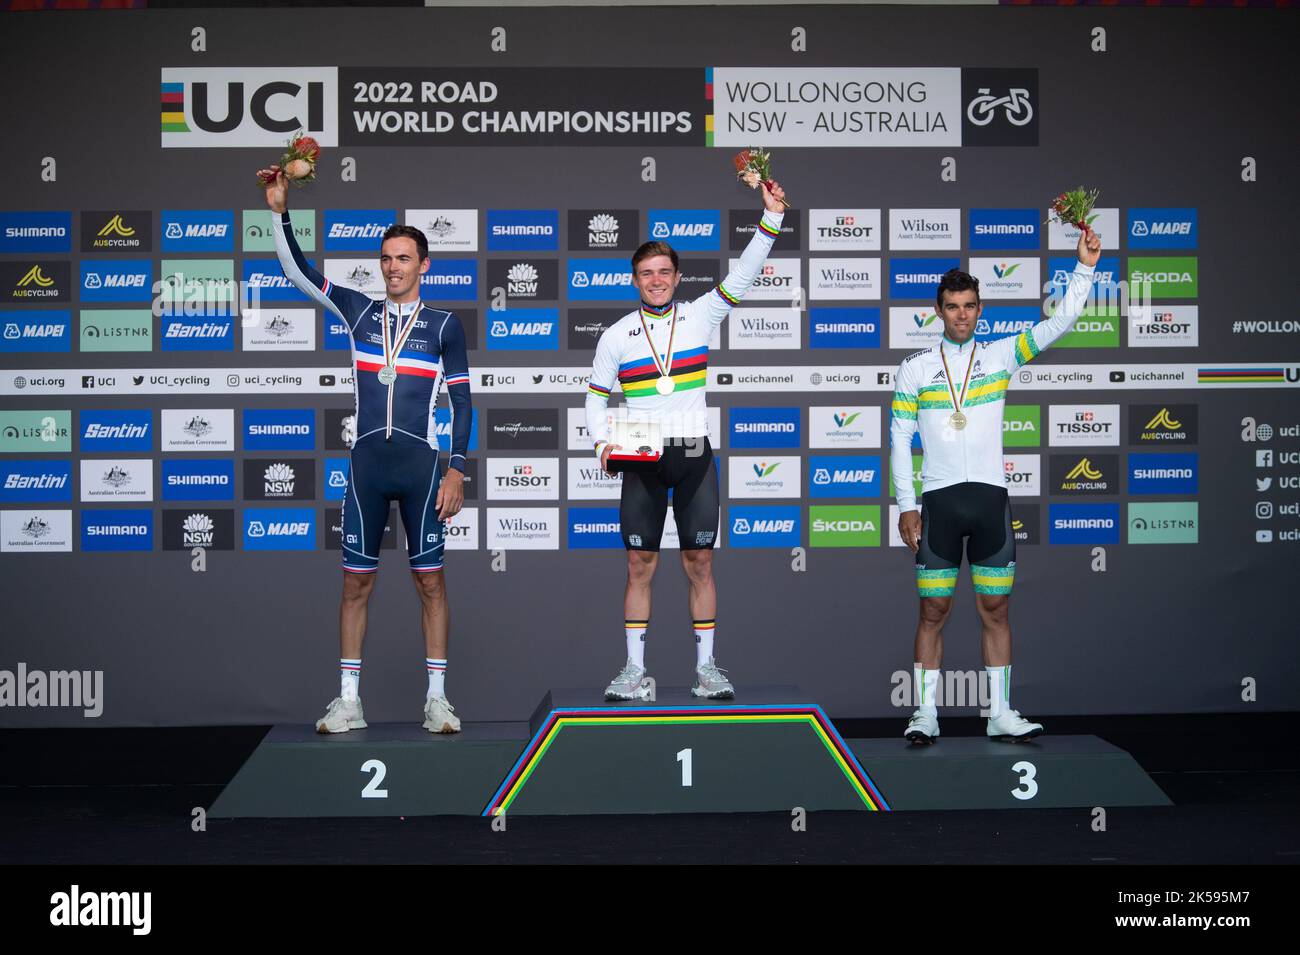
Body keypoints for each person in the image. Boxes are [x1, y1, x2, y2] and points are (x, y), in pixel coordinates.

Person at [259, 168, 471, 734]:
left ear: (423, 265)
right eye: (386, 258)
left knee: (432, 582)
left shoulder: (445, 325)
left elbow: (464, 404)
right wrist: (281, 213)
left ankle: (437, 700)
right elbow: (297, 273)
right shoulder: (358, 311)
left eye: (404, 258)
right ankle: (349, 699)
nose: (393, 266)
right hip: (367, 469)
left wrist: (458, 470)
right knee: (356, 582)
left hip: (425, 470)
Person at [890, 227, 1102, 743]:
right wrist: (905, 505)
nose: (961, 314)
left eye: (969, 305)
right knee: (932, 610)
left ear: (980, 308)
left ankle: (1001, 713)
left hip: (989, 502)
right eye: (951, 306)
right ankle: (925, 714)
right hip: (938, 504)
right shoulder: (915, 369)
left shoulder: (1003, 355)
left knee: (997, 609)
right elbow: (899, 440)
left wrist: (1086, 268)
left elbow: (1064, 319)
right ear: (937, 311)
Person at [585, 180, 787, 701]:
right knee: (639, 564)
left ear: (678, 277)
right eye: (646, 274)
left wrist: (771, 218)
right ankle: (633, 672)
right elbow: (594, 398)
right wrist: (601, 445)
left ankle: (707, 669)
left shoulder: (700, 315)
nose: (656, 281)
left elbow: (743, 273)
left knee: (700, 562)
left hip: (693, 453)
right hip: (641, 453)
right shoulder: (615, 336)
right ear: (635, 280)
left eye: (664, 272)